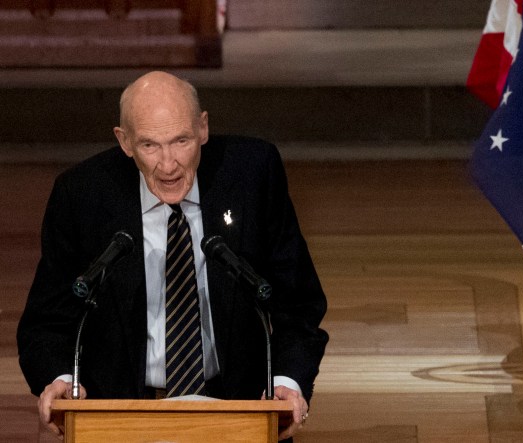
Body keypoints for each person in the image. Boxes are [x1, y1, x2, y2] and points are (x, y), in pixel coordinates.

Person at [16, 71, 329, 440]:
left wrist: (287, 382)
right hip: (120, 413)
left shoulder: (252, 173)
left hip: (236, 407)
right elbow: (47, 322)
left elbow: (298, 303)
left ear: (203, 129)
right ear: (125, 141)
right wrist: (60, 381)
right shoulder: (81, 195)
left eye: (181, 140)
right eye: (150, 145)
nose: (168, 165)